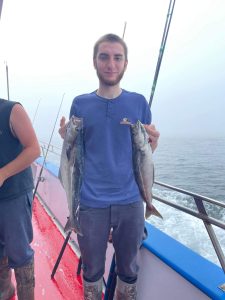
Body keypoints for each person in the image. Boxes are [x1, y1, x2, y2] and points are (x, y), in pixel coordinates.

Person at [59, 33, 160, 300]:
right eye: (104, 57)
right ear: (95, 62)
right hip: (91, 202)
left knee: (129, 268)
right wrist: (66, 140)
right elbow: (77, 151)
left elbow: (144, 154)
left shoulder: (139, 103)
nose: (110, 64)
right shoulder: (80, 103)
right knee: (92, 269)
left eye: (117, 58)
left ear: (126, 63)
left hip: (131, 201)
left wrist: (154, 143)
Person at [0, 99, 40, 300]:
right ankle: (6, 290)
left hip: (13, 196)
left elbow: (34, 149)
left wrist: (3, 174)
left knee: (20, 254)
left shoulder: (12, 110)